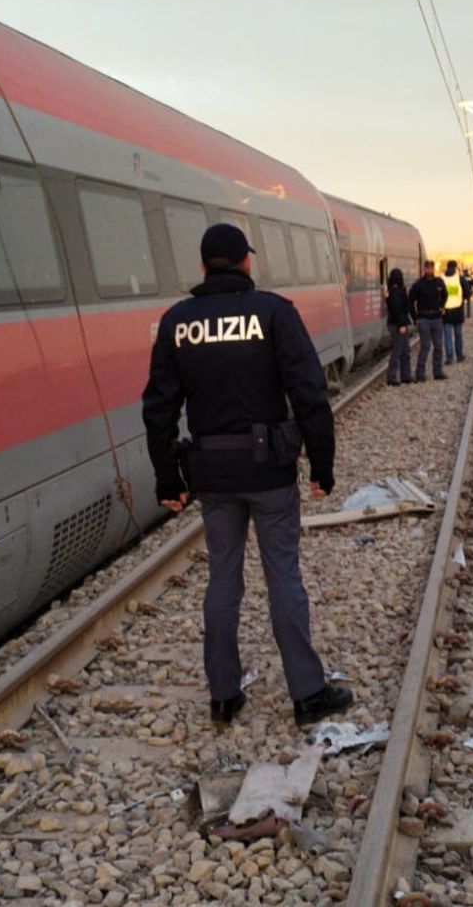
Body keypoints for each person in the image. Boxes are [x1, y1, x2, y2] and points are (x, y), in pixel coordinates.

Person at [141, 223, 353, 727]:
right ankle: (306, 693)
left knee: (222, 580)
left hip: (212, 475)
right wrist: (322, 466)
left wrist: (167, 480)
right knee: (283, 576)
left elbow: (158, 409)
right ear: (245, 262)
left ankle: (223, 694)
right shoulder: (273, 313)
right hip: (269, 471)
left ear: (202, 266)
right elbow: (309, 394)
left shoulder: (177, 322)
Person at [409, 260, 448, 381]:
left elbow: (445, 295)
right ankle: (420, 374)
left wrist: (441, 307)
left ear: (434, 269)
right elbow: (411, 300)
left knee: (438, 346)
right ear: (424, 269)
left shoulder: (439, 282)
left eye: (431, 268)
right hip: (424, 318)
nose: (429, 270)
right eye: (427, 268)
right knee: (425, 346)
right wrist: (415, 317)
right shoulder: (418, 284)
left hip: (436, 318)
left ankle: (438, 371)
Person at [385, 267, 412, 385]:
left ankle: (406, 376)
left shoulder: (393, 290)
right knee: (397, 351)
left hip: (398, 323)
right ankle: (391, 377)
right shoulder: (396, 292)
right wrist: (401, 324)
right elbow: (397, 309)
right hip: (398, 325)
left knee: (405, 350)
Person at [441, 259, 467, 365]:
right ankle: (459, 355)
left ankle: (449, 357)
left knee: (447, 336)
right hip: (458, 311)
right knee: (458, 335)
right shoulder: (460, 278)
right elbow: (467, 292)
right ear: (455, 267)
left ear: (447, 267)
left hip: (446, 312)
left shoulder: (441, 279)